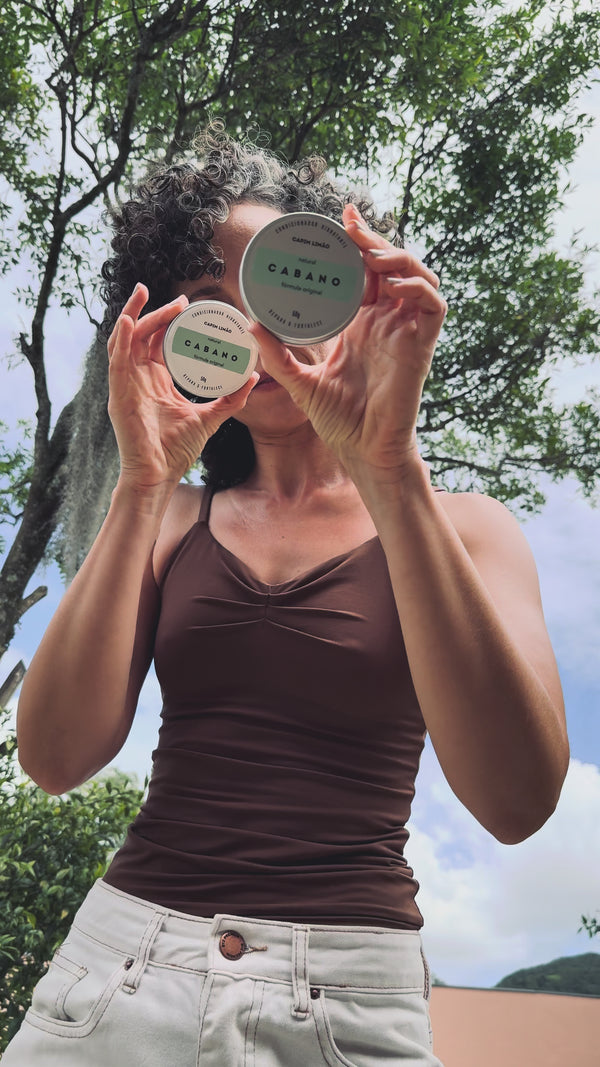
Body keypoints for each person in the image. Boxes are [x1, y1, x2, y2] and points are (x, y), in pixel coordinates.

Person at [3, 124, 568, 1066]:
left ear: (344, 293)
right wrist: (142, 480)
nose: (254, 331)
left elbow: (516, 800)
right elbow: (55, 757)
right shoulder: (170, 516)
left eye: (275, 285)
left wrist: (390, 467)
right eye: (209, 306)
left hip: (351, 1000)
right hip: (121, 971)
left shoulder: (467, 529)